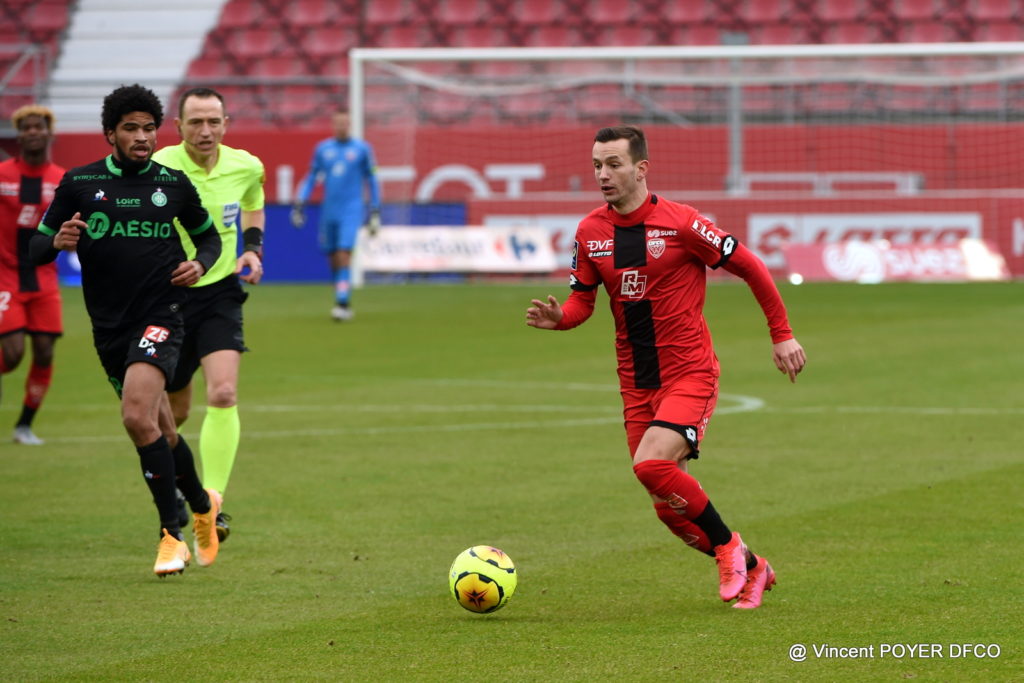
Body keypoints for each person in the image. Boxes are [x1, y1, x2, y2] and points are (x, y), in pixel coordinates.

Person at [526, 126, 807, 610]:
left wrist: (781, 333)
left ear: (641, 169)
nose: (603, 174)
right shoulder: (590, 232)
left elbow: (750, 265)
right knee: (667, 507)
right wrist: (561, 319)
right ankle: (755, 567)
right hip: (637, 382)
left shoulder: (683, 224)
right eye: (597, 165)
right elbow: (581, 302)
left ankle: (729, 548)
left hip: (689, 373)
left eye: (613, 164)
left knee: (651, 464)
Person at [29, 84, 224, 577]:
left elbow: (208, 237)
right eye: (131, 128)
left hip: (162, 314)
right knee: (162, 429)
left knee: (136, 417)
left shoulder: (173, 184)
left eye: (149, 128)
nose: (142, 137)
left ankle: (171, 537)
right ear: (110, 134)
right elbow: (35, 249)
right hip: (109, 327)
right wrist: (57, 242)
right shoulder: (79, 183)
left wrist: (200, 263)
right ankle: (203, 506)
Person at [153, 87, 265, 543]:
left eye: (213, 121)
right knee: (172, 415)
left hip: (220, 294)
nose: (205, 130)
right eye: (196, 122)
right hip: (167, 298)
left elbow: (253, 203)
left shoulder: (246, 165)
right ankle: (175, 488)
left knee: (223, 392)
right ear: (178, 126)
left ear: (225, 124)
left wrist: (252, 249)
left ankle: (212, 502)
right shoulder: (159, 167)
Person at [0, 105, 65, 445]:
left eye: (39, 127)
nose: (33, 132)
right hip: (5, 275)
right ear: (20, 135)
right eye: (26, 128)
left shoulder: (62, 180)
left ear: (49, 133)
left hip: (44, 277)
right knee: (11, 355)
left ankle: (24, 426)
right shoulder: (2, 175)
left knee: (45, 352)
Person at [291, 106, 381, 321]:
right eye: (338, 123)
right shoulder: (323, 149)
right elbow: (312, 177)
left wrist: (375, 210)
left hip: (351, 209)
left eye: (345, 123)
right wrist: (300, 202)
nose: (341, 126)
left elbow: (372, 180)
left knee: (343, 253)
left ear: (350, 124)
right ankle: (341, 293)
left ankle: (342, 302)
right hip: (329, 209)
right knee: (332, 256)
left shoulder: (362, 149)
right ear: (333, 125)